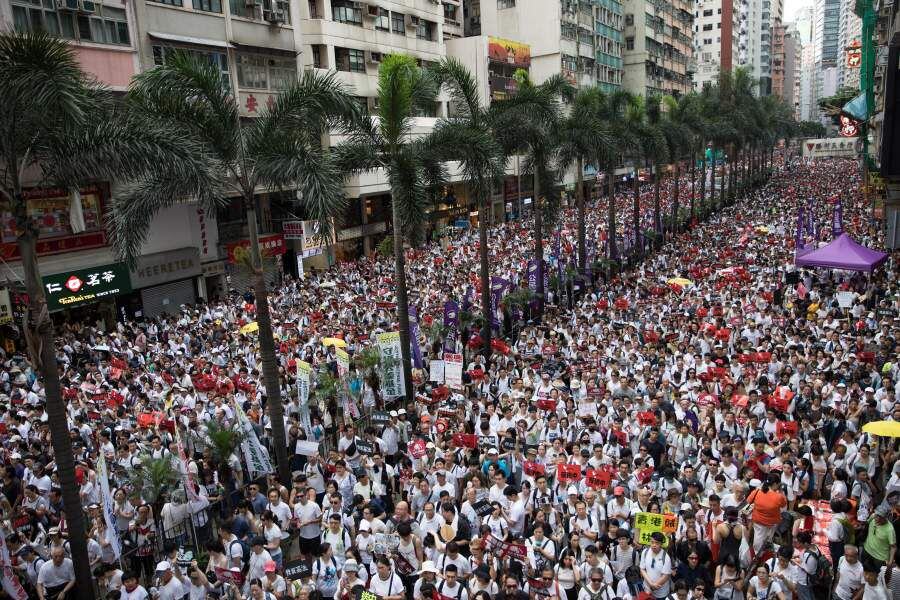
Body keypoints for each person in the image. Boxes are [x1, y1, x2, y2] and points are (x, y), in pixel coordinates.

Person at [746, 474, 787, 554]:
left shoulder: (757, 491)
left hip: (759, 523)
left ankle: (757, 556)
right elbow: (784, 505)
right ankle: (763, 554)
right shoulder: (779, 496)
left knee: (758, 541)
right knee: (768, 539)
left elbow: (748, 500)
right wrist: (781, 491)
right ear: (775, 484)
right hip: (772, 523)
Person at [862, 505, 896, 571]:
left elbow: (893, 547)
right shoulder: (873, 516)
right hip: (866, 550)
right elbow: (866, 524)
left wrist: (890, 562)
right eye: (876, 515)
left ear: (886, 517)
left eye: (880, 517)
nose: (877, 519)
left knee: (878, 576)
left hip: (880, 558)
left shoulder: (890, 530)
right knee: (863, 570)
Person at [640, 532, 673, 599]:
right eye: (652, 542)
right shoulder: (645, 552)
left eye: (657, 543)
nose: (654, 545)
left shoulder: (666, 557)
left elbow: (666, 576)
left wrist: (653, 586)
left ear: (661, 544)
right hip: (647, 589)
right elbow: (642, 569)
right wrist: (650, 584)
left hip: (661, 593)